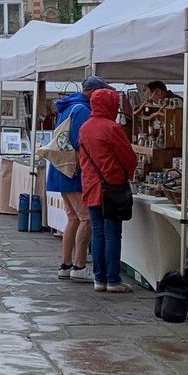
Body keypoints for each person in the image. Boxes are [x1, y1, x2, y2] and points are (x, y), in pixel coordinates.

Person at [49, 76, 112, 283]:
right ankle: (79, 266)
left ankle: (66, 265)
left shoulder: (67, 106)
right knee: (85, 218)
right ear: (94, 92)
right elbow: (81, 142)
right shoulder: (83, 109)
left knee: (73, 218)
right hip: (73, 171)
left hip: (60, 169)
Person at [79, 87, 138, 294]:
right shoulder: (113, 128)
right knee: (113, 234)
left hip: (91, 186)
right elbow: (128, 158)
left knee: (98, 233)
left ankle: (99, 279)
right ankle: (113, 280)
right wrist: (126, 174)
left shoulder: (85, 127)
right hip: (112, 186)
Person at [145, 80, 188, 152]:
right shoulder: (166, 103)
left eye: (149, 95)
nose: (150, 99)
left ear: (158, 91)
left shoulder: (176, 101)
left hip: (185, 146)